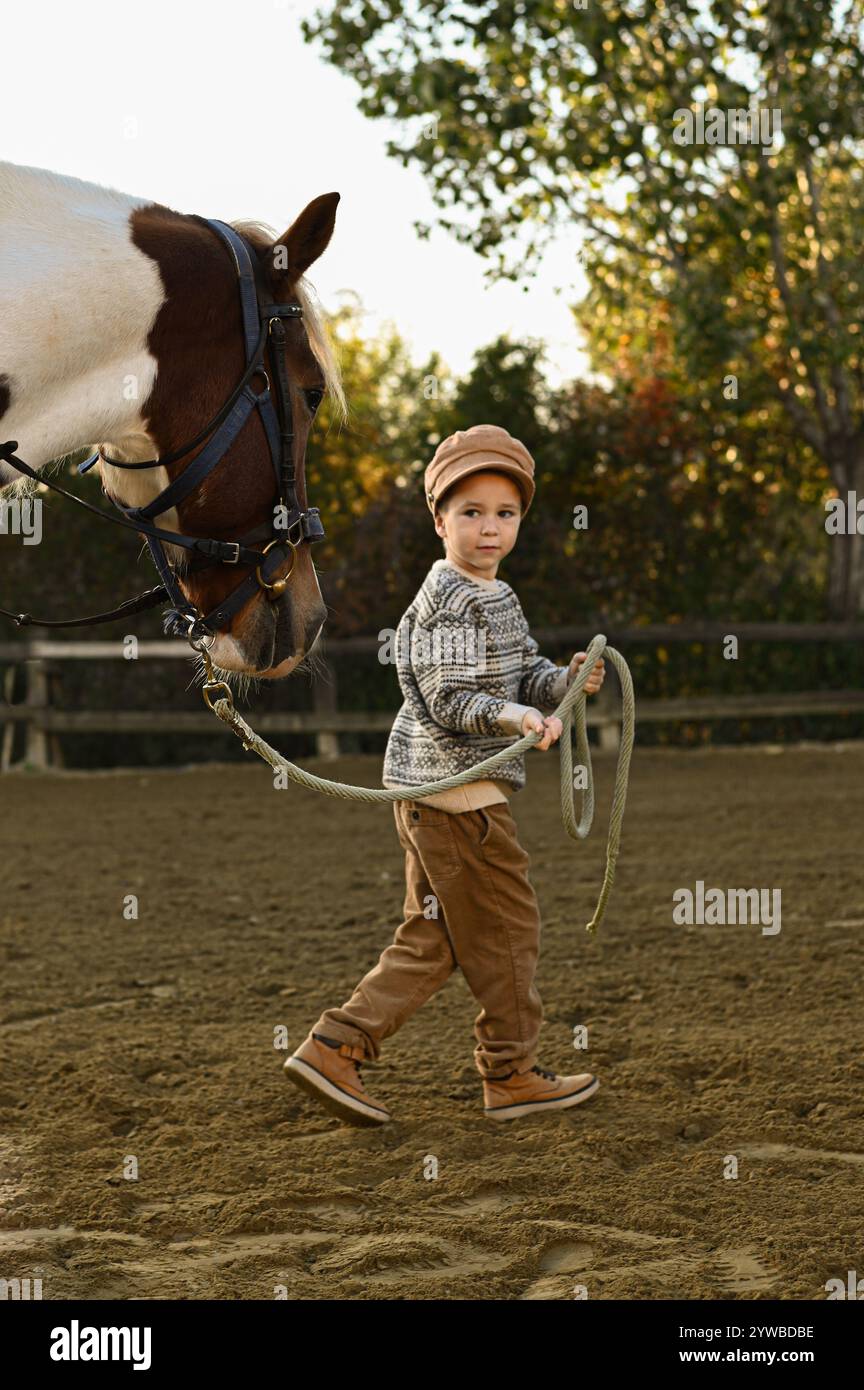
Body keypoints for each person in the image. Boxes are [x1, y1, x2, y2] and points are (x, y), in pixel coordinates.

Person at [284, 424, 605, 1125]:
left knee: (437, 937)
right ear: (439, 519)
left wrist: (564, 682)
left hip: (443, 797)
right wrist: (520, 718)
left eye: (505, 513)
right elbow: (453, 698)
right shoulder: (450, 601)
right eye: (471, 512)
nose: (489, 529)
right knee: (510, 932)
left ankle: (335, 1048)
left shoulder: (495, 595)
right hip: (461, 799)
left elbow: (523, 671)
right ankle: (512, 1073)